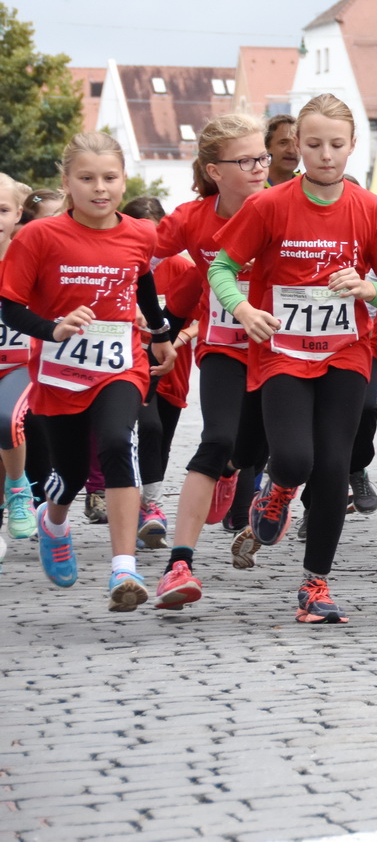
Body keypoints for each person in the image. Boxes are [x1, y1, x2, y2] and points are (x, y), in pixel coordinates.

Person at [211, 93, 377, 623]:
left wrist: (369, 290)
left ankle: (314, 585)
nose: (326, 154)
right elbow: (222, 269)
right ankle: (276, 491)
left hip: (346, 354)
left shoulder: (370, 209)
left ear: (352, 147)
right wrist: (244, 309)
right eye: (315, 143)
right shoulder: (269, 205)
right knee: (295, 459)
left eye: (337, 144)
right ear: (297, 145)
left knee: (331, 470)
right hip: (281, 353)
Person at [0, 132, 176, 611]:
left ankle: (124, 568)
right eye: (87, 178)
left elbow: (142, 284)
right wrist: (53, 328)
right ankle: (53, 522)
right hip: (59, 374)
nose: (100, 188)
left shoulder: (141, 232)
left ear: (123, 181)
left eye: (110, 178)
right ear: (67, 182)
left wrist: (159, 334)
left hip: (121, 366)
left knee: (120, 443)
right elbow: (10, 306)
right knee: (71, 471)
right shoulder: (39, 236)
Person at [143, 114, 273, 607]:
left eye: (262, 156)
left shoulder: (287, 207)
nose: (261, 167)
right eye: (246, 160)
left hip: (285, 352)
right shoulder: (193, 217)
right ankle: (180, 564)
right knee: (215, 438)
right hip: (222, 344)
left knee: (269, 450)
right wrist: (155, 324)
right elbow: (136, 257)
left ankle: (237, 467)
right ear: (214, 170)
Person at [120, 196, 192, 557]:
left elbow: (197, 316)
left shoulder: (179, 267)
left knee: (160, 437)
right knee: (147, 428)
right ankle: (149, 505)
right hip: (130, 361)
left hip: (173, 362)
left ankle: (146, 508)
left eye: (157, 235)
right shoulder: (122, 264)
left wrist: (173, 338)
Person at [0, 173, 34, 540]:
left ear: (17, 214)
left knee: (6, 419)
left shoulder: (30, 255)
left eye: (3, 210)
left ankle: (19, 488)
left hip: (21, 366)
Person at [264, 114, 300, 188]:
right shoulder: (254, 187)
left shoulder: (309, 189)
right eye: (283, 143)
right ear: (266, 147)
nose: (291, 150)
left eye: (296, 144)